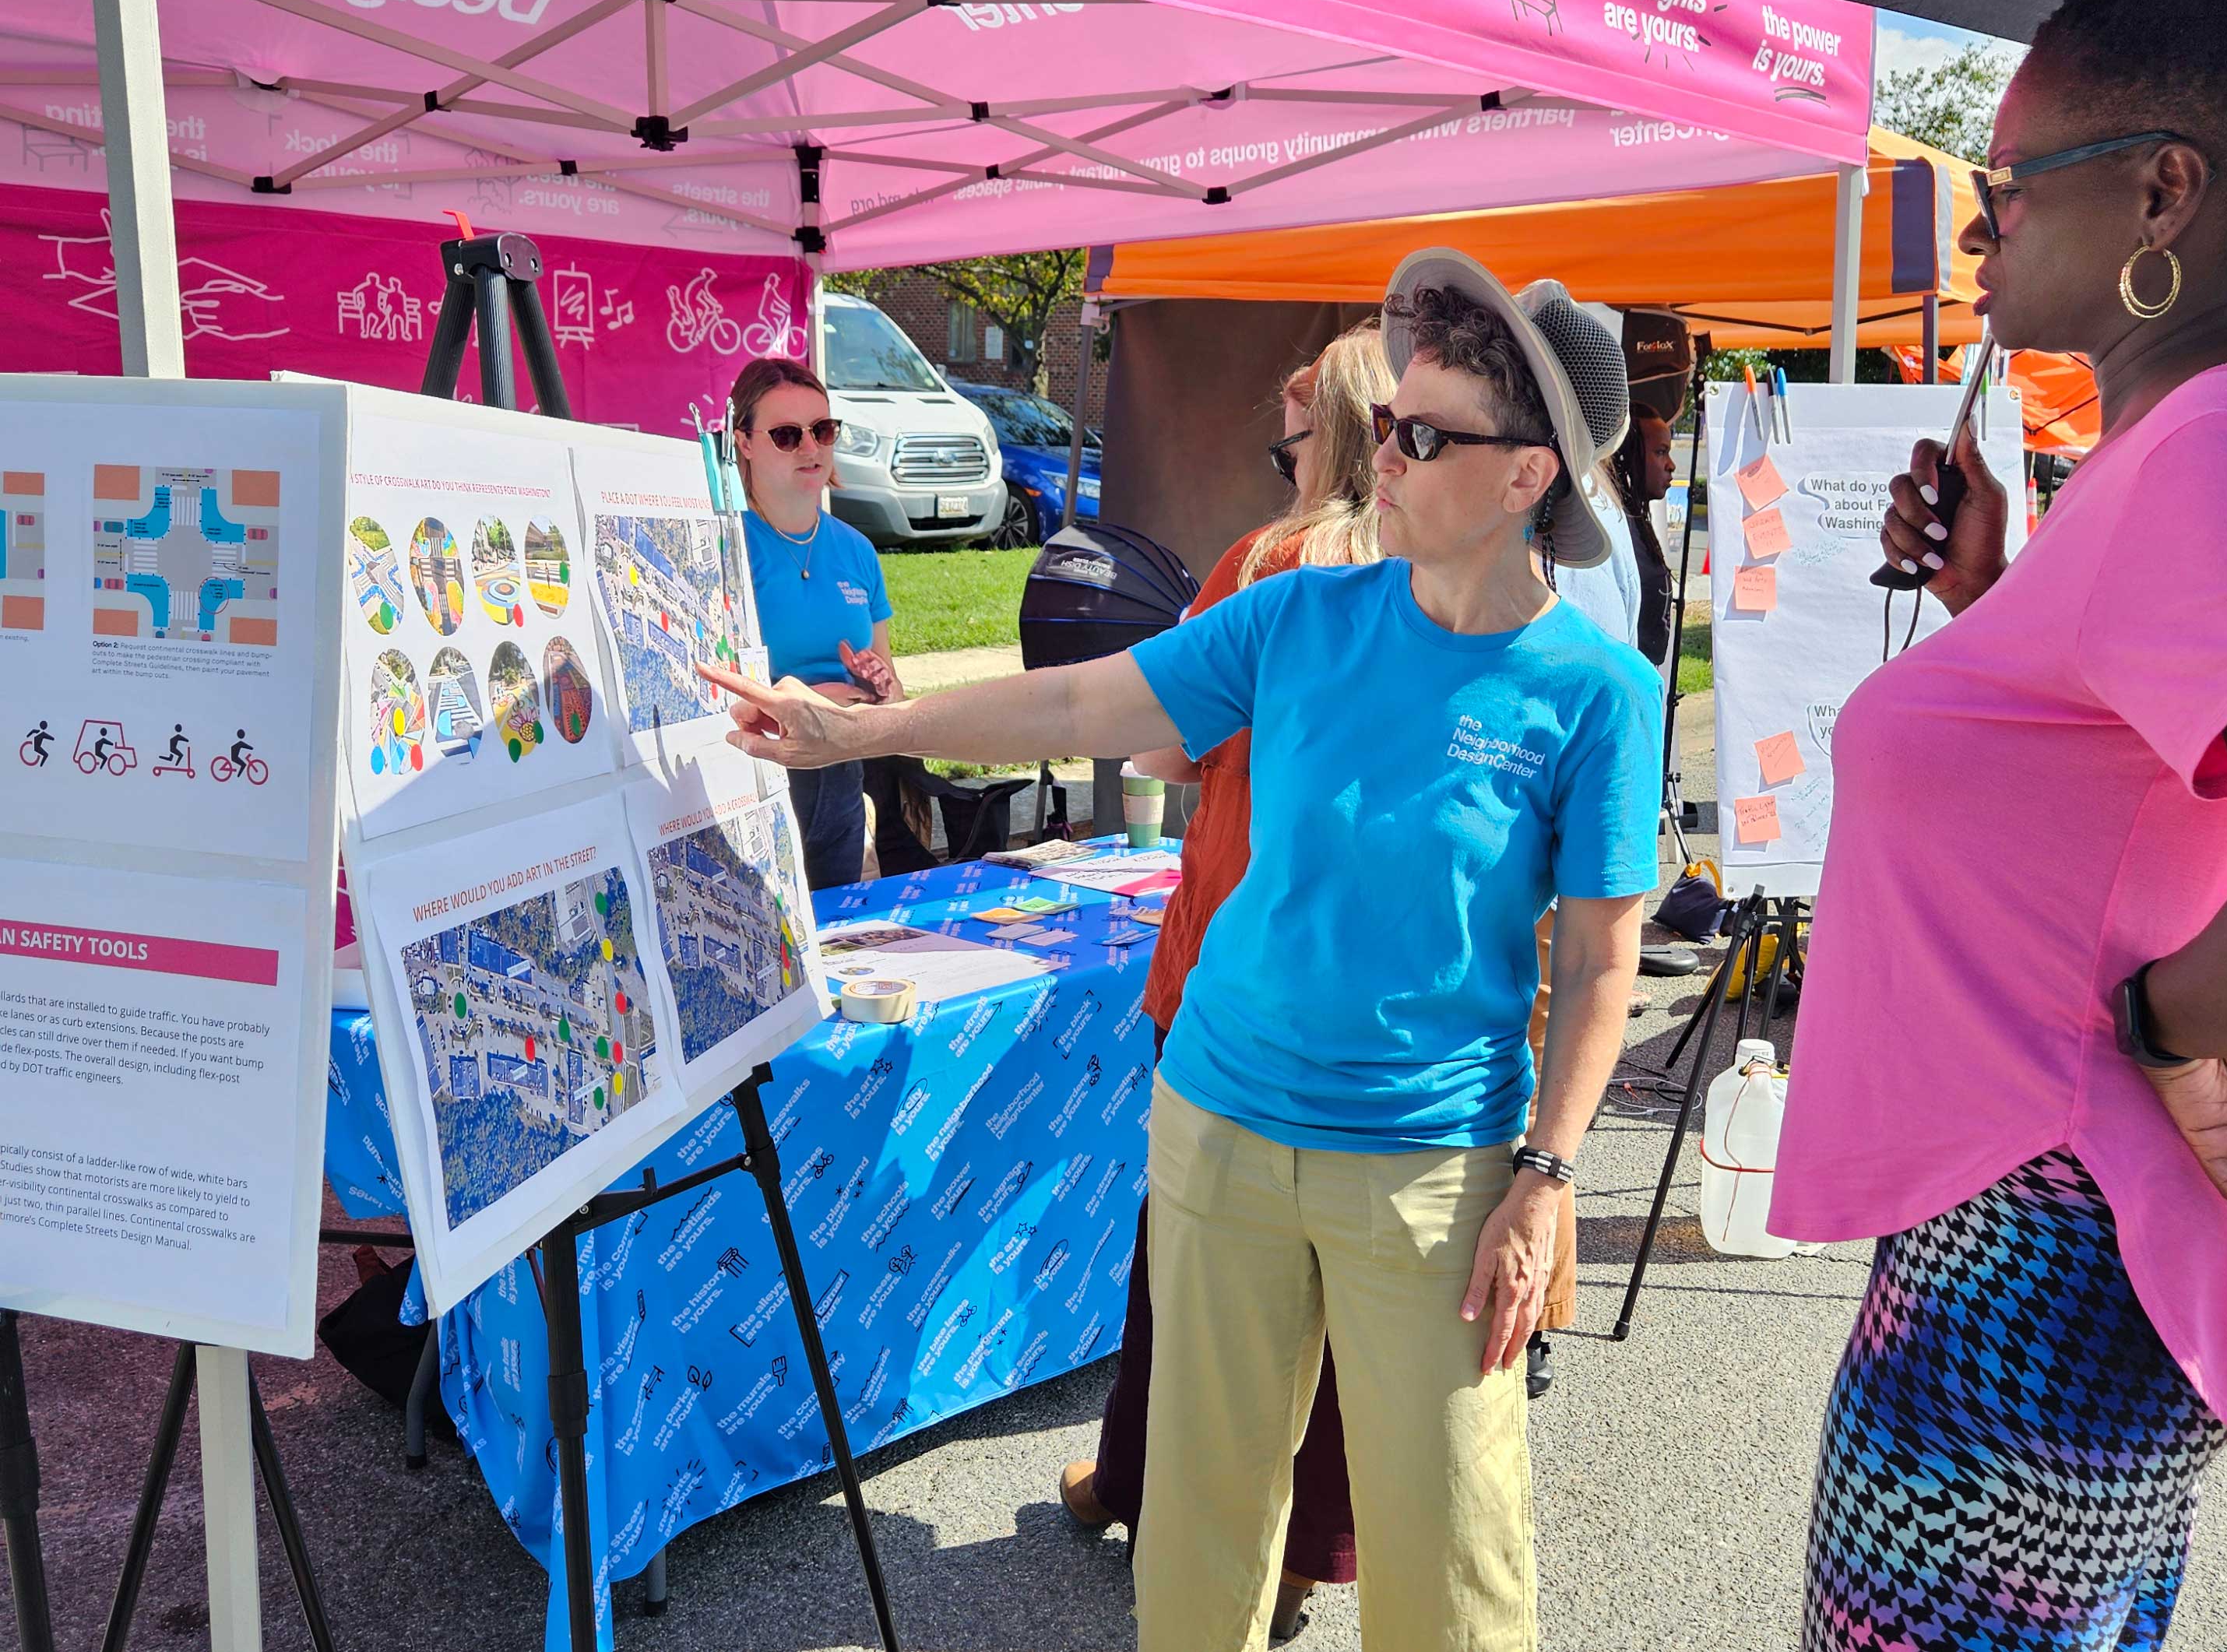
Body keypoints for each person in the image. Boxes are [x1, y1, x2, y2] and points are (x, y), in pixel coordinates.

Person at [703, 251, 1660, 1650]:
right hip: (1218, 1128)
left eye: (1424, 434)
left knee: (1455, 1553)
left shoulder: (1600, 692)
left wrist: (1552, 1173)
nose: (1380, 454)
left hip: (1432, 1169)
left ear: (1527, 480)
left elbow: (1600, 963)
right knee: (1201, 1528)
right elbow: (1088, 700)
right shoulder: (1298, 612)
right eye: (1390, 419)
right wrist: (861, 730)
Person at [1771, 0, 2227, 1651]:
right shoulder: (2194, 448)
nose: (1979, 229)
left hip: (2039, 1244)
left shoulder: (2221, 454)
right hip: (2060, 1235)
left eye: (2010, 185)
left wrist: (2164, 1019)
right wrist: (1991, 606)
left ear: (2163, 189)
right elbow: (2136, 800)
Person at [1059, 318, 1392, 1643]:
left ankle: (1157, 1496)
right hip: (1362, 992)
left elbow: (1164, 742)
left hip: (1230, 965)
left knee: (1194, 1268)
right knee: (1339, 1282)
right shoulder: (1437, 576)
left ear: (1339, 432)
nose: (1282, 449)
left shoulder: (1270, 565)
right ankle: (1311, 1544)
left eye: (1293, 428)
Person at [728, 355, 900, 890]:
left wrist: (876, 687)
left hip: (841, 773)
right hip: (757, 778)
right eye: (786, 434)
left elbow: (893, 698)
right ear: (745, 443)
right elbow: (710, 701)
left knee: (837, 941)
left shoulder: (857, 550)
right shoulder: (724, 546)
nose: (811, 447)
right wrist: (821, 693)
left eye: (823, 430)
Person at [1611, 403, 1676, 669]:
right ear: (1629, 455)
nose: (1671, 465)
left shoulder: (1637, 520)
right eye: (1660, 452)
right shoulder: (1614, 524)